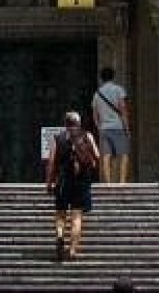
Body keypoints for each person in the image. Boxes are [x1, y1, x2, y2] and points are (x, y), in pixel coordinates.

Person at [46, 110, 99, 262]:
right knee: (76, 216)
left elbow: (51, 162)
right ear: (79, 123)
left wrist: (49, 182)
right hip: (81, 180)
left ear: (65, 123)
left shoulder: (58, 139)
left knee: (61, 213)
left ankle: (60, 236)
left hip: (63, 180)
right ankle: (72, 250)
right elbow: (97, 155)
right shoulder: (87, 136)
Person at [91, 66, 131, 184]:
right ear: (113, 77)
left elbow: (95, 115)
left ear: (101, 78)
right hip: (118, 127)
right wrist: (127, 128)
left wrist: (99, 127)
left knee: (106, 155)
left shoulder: (97, 94)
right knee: (123, 154)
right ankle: (122, 182)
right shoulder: (119, 90)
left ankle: (108, 183)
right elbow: (123, 109)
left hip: (104, 128)